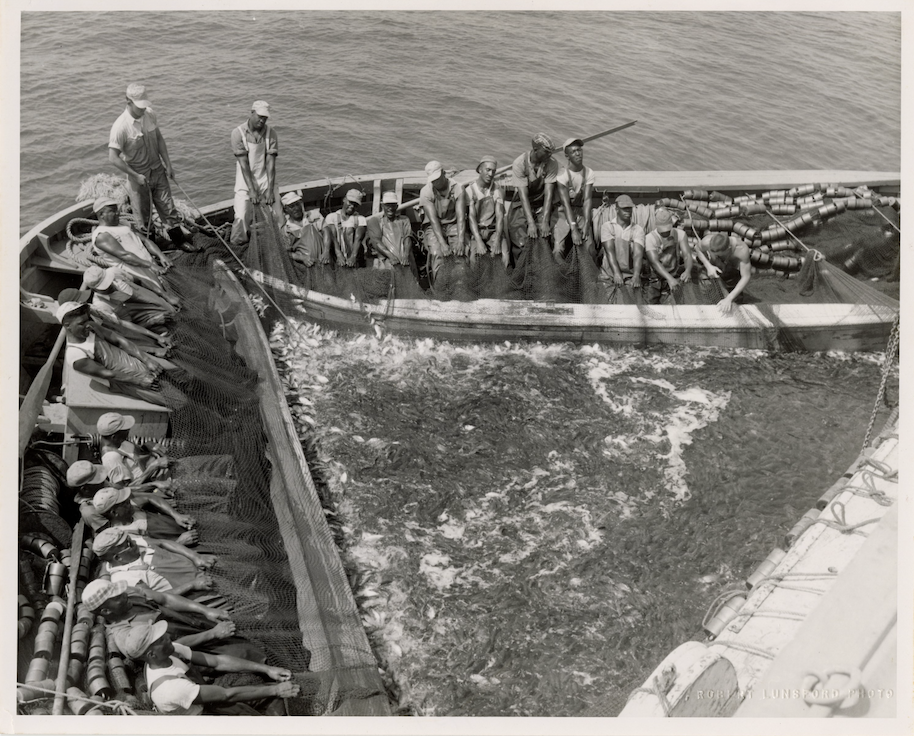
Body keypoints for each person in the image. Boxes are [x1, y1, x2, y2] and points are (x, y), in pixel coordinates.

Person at [114, 621, 298, 715]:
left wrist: (266, 670)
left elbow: (217, 661)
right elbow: (227, 695)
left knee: (262, 684)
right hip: (208, 716)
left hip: (209, 695)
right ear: (151, 654)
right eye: (161, 639)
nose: (168, 637)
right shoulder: (169, 689)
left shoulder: (169, 652)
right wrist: (275, 690)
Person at [57, 301, 177, 407]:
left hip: (130, 359)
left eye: (87, 320)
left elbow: (119, 340)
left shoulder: (91, 327)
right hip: (124, 381)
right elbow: (107, 374)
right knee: (178, 400)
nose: (87, 324)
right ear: (68, 326)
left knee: (178, 372)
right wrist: (140, 381)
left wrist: (147, 360)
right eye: (81, 323)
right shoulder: (75, 355)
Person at [107, 83, 179, 236]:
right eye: (140, 107)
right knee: (143, 217)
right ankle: (152, 247)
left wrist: (169, 165)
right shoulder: (120, 127)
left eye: (145, 106)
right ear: (128, 102)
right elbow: (113, 158)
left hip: (158, 171)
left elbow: (159, 138)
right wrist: (135, 176)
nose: (143, 110)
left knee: (168, 208)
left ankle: (178, 240)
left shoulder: (150, 114)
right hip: (139, 177)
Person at [92, 527, 215, 597]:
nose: (134, 543)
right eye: (130, 544)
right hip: (198, 590)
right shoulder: (125, 580)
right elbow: (160, 599)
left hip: (200, 566)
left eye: (130, 539)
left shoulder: (130, 543)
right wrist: (192, 585)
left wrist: (196, 557)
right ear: (118, 558)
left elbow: (162, 542)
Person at [90, 197, 172, 290]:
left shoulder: (124, 223)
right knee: (162, 293)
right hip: (136, 274)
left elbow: (145, 240)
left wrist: (161, 255)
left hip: (149, 265)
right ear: (101, 215)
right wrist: (151, 266)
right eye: (113, 211)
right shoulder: (102, 235)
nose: (118, 213)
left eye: (117, 209)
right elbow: (125, 256)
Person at [230, 101, 283, 246]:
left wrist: (270, 190)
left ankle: (279, 242)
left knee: (278, 215)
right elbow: (244, 164)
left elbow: (270, 164)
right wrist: (252, 190)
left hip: (266, 179)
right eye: (260, 116)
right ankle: (238, 244)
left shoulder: (271, 133)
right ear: (252, 112)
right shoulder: (238, 133)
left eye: (265, 118)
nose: (262, 120)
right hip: (245, 181)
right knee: (241, 217)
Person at [506, 133, 558, 263]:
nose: (550, 155)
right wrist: (530, 223)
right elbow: (523, 197)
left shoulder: (551, 163)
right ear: (535, 150)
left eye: (551, 152)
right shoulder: (519, 163)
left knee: (545, 239)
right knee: (521, 243)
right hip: (521, 205)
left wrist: (545, 221)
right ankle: (521, 274)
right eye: (546, 152)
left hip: (541, 205)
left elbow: (549, 194)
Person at [93, 486, 198, 545]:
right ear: (114, 513)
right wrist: (179, 543)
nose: (129, 502)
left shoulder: (131, 508)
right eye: (124, 503)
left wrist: (176, 516)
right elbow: (153, 551)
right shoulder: (124, 535)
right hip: (187, 544)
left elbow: (151, 498)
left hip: (184, 527)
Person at [82, 264, 179, 327]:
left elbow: (140, 281)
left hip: (166, 306)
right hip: (158, 325)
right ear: (94, 289)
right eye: (104, 287)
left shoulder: (114, 271)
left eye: (109, 281)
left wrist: (165, 295)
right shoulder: (101, 305)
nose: (109, 287)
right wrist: (153, 321)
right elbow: (125, 329)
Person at [419, 161, 466, 281]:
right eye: (433, 180)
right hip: (433, 225)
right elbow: (433, 220)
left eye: (437, 179)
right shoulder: (426, 191)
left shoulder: (457, 188)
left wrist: (461, 240)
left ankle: (460, 283)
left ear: (444, 173)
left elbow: (461, 217)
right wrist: (443, 244)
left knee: (460, 252)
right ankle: (440, 283)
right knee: (437, 253)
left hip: (453, 223)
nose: (435, 183)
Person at [97, 411, 171, 485]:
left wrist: (147, 445)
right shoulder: (111, 458)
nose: (129, 431)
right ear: (114, 437)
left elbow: (135, 454)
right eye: (126, 431)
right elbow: (125, 490)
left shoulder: (118, 442)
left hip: (165, 468)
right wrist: (153, 467)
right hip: (160, 481)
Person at [554, 137, 596, 261]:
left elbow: (587, 200)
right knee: (558, 250)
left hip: (580, 213)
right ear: (567, 156)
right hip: (563, 213)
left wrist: (587, 223)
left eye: (579, 150)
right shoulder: (562, 175)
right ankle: (562, 277)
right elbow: (565, 203)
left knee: (590, 249)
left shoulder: (589, 173)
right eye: (573, 152)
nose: (578, 154)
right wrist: (573, 229)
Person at [643, 208, 694, 304]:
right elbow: (654, 262)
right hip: (654, 279)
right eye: (662, 230)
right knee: (651, 307)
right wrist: (669, 279)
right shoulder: (649, 238)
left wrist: (688, 271)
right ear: (656, 225)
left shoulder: (680, 234)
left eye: (667, 229)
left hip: (674, 275)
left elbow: (687, 254)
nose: (665, 233)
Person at [464, 155, 509, 267]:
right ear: (480, 170)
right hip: (476, 232)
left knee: (504, 257)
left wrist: (498, 240)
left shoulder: (497, 190)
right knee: (473, 259)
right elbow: (471, 218)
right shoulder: (470, 191)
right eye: (488, 170)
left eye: (493, 171)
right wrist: (479, 241)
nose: (490, 174)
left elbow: (499, 217)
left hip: (493, 231)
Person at [694, 232, 753, 312]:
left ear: (728, 248)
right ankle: (708, 306)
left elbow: (746, 276)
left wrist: (729, 298)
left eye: (718, 254)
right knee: (704, 283)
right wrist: (708, 266)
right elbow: (698, 248)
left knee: (734, 302)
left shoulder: (741, 250)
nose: (715, 254)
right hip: (713, 266)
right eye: (713, 252)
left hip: (731, 272)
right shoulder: (706, 241)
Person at [599, 194, 646, 289]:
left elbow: (638, 254)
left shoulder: (637, 229)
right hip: (609, 274)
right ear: (616, 209)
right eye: (624, 208)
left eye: (629, 208)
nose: (628, 211)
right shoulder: (608, 226)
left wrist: (636, 276)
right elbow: (610, 252)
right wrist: (616, 273)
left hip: (629, 275)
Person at [365, 191, 416, 272]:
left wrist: (406, 255)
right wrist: (391, 256)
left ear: (397, 206)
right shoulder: (375, 221)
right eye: (387, 205)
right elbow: (376, 242)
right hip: (386, 260)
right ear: (382, 205)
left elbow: (408, 237)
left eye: (393, 205)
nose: (390, 208)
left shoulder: (404, 220)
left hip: (405, 260)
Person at [323, 189, 368, 267]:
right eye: (350, 202)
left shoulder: (361, 219)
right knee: (327, 229)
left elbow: (358, 239)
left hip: (353, 255)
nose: (352, 206)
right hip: (336, 254)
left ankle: (352, 261)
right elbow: (332, 236)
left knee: (349, 230)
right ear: (344, 199)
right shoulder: (331, 217)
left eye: (355, 205)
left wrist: (353, 257)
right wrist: (339, 255)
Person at [280, 191, 322, 266]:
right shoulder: (286, 229)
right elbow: (285, 253)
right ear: (286, 210)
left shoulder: (313, 216)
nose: (296, 208)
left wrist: (326, 252)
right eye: (292, 206)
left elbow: (327, 232)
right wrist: (302, 258)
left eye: (297, 204)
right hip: (307, 268)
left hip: (324, 262)